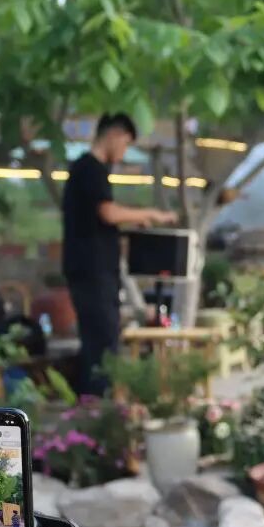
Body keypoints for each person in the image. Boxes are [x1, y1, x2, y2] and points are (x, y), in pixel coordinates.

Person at [62, 113, 177, 396]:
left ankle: (93, 399)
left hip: (96, 268)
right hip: (92, 269)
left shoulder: (89, 170)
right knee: (102, 341)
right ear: (113, 135)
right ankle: (96, 401)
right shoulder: (90, 169)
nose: (124, 152)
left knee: (101, 338)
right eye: (125, 143)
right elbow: (108, 212)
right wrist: (150, 213)